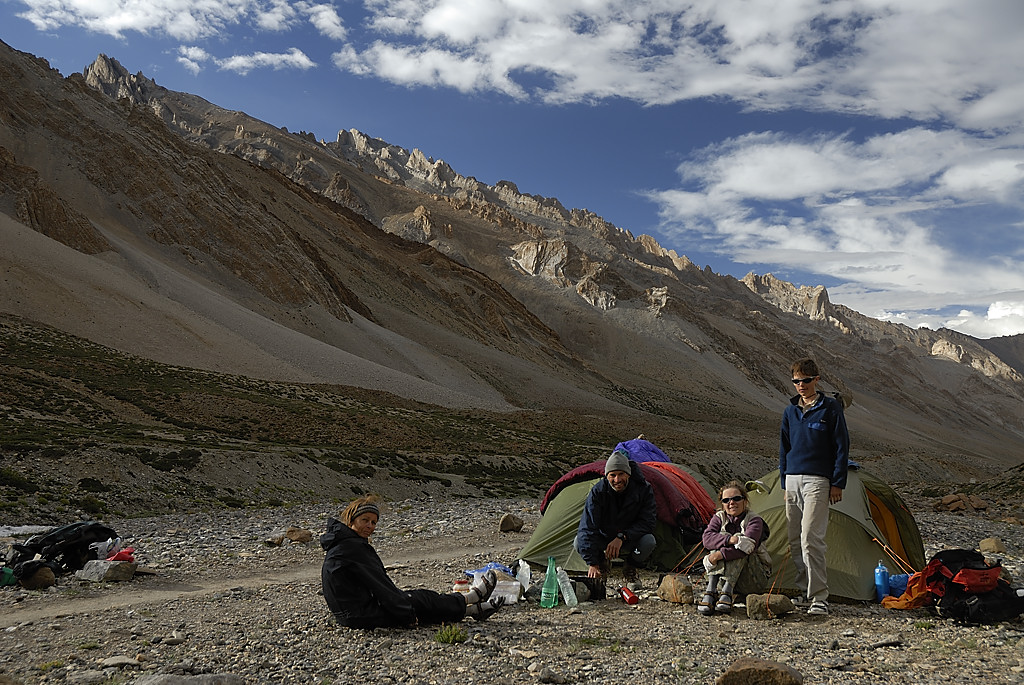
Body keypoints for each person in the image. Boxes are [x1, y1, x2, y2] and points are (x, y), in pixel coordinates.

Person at [321, 495, 504, 628]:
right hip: (362, 615)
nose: (370, 526)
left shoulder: (342, 543)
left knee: (415, 602)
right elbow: (380, 584)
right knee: (419, 600)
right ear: (352, 521)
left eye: (374, 522)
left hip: (348, 615)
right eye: (365, 520)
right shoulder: (354, 548)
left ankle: (472, 609)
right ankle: (471, 599)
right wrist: (405, 613)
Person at [779, 357, 850, 616]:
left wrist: (837, 481)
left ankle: (820, 596)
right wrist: (784, 481)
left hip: (818, 481)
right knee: (795, 539)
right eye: (796, 381)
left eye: (805, 380)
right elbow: (784, 448)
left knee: (811, 537)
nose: (801, 385)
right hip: (793, 480)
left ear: (816, 380)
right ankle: (802, 590)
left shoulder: (830, 408)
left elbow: (842, 446)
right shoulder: (790, 411)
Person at [574, 448, 658, 585]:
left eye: (621, 474)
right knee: (579, 542)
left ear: (629, 474)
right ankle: (602, 563)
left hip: (629, 538)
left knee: (649, 541)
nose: (617, 480)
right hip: (604, 537)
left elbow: (648, 522)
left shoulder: (643, 489)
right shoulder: (598, 492)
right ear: (607, 476)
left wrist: (622, 537)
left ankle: (630, 566)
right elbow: (587, 528)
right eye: (612, 475)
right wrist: (592, 562)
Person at [698, 480, 771, 615]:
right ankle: (712, 589)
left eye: (736, 498)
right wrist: (729, 539)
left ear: (745, 501)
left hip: (752, 579)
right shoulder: (719, 517)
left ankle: (726, 591)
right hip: (721, 576)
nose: (731, 503)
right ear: (723, 504)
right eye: (726, 500)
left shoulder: (755, 520)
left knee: (741, 540)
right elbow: (707, 539)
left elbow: (748, 546)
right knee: (724, 537)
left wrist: (718, 555)